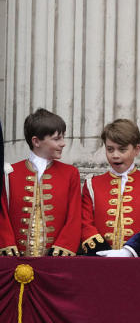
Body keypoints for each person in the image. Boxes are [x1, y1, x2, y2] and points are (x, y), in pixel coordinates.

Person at [0, 108, 81, 256]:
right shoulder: (10, 173)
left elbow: (74, 217)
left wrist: (63, 247)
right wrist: (6, 244)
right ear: (36, 141)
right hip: (15, 260)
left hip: (56, 262)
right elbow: (2, 214)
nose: (63, 143)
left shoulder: (70, 173)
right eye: (57, 139)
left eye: (63, 138)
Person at [80, 119, 140, 257]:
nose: (115, 155)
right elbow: (85, 224)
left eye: (122, 149)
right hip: (99, 261)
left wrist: (129, 252)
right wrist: (103, 253)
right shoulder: (92, 184)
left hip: (138, 263)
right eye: (110, 149)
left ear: (136, 150)